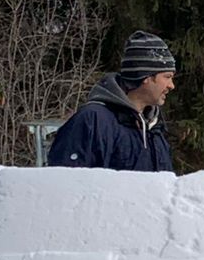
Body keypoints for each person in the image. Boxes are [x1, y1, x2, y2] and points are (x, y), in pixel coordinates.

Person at [47, 32, 177, 171]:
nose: (171, 85)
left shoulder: (154, 129)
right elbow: (66, 183)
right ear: (146, 77)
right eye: (167, 77)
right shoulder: (93, 121)